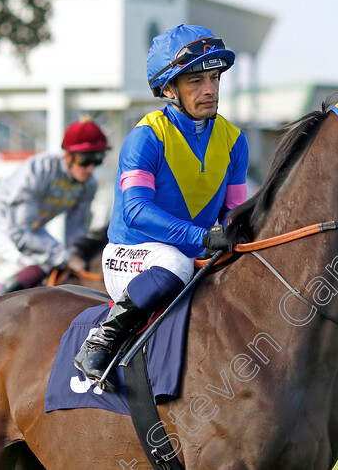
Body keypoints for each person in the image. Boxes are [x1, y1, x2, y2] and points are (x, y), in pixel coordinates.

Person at [73, 24, 249, 388]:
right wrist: (202, 237)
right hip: (133, 254)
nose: (210, 90)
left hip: (197, 251)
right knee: (175, 261)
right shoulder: (146, 137)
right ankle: (102, 337)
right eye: (196, 81)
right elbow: (136, 210)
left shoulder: (234, 139)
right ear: (169, 89)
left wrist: (232, 231)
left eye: (215, 78)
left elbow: (234, 210)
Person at [0, 116, 110, 296]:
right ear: (68, 155)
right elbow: (19, 232)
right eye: (85, 160)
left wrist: (74, 254)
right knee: (39, 263)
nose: (91, 168)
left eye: (97, 160)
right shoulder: (40, 169)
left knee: (54, 262)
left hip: (32, 227)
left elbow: (76, 231)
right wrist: (66, 257)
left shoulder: (88, 185)